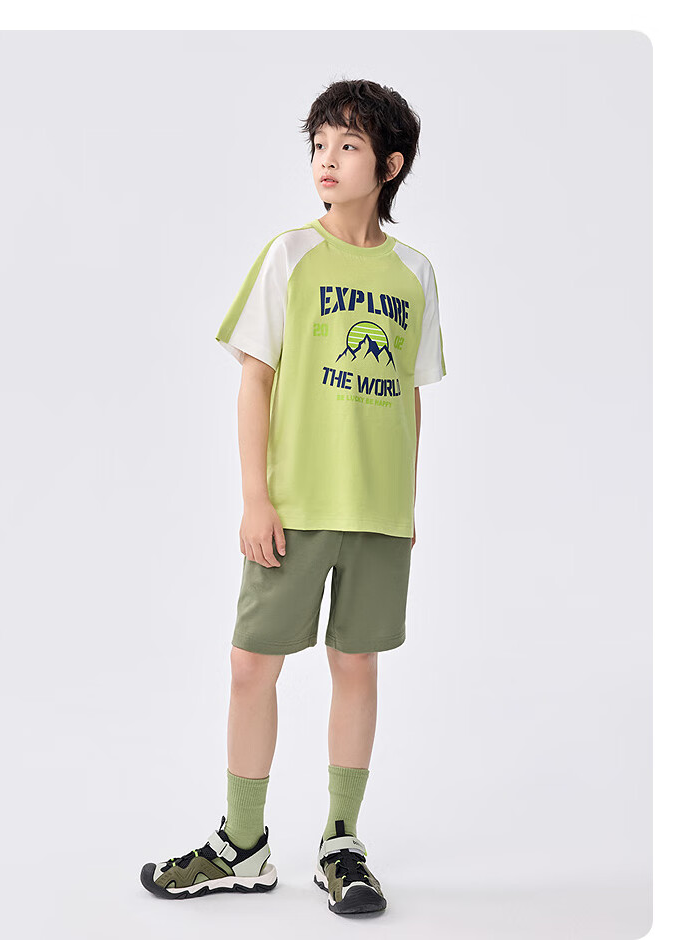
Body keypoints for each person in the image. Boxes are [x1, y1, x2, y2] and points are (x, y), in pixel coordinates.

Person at [140, 78, 446, 916]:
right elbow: (255, 378)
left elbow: (410, 392)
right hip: (295, 505)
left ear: (390, 164)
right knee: (251, 665)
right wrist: (255, 498)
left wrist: (407, 504)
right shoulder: (290, 255)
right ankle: (242, 845)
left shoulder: (415, 273)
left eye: (348, 145)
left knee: (357, 664)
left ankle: (342, 843)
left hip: (378, 513)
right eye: (318, 145)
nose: (326, 160)